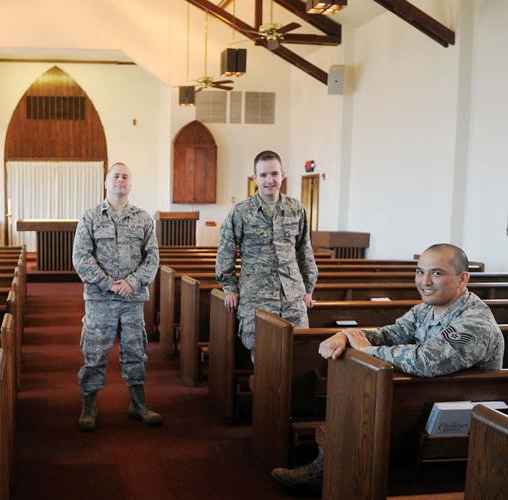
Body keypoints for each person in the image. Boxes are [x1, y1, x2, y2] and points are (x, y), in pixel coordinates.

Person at [271, 243, 504, 491]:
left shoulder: (475, 322)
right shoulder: (426, 309)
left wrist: (367, 351)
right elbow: (389, 334)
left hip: (458, 422)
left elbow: (427, 360)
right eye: (419, 272)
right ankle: (333, 473)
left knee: (363, 404)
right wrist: (346, 335)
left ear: (463, 278)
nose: (424, 281)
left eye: (436, 273)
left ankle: (335, 476)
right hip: (419, 403)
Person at [73, 162, 161, 431]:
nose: (120, 180)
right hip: (100, 299)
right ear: (106, 182)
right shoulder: (90, 217)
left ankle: (138, 404)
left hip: (132, 300)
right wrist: (109, 284)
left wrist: (131, 283)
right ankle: (89, 406)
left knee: (136, 352)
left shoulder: (143, 219)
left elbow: (152, 258)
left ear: (130, 184)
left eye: (125, 177)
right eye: (116, 176)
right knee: (95, 353)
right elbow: (81, 258)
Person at [215, 150, 318, 361]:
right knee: (263, 357)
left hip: (292, 297)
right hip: (257, 298)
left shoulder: (296, 209)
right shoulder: (241, 212)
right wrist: (229, 288)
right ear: (255, 178)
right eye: (263, 175)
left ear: (282, 175)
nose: (269, 180)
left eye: (274, 174)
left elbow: (304, 250)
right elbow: (226, 251)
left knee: (298, 354)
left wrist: (308, 288)